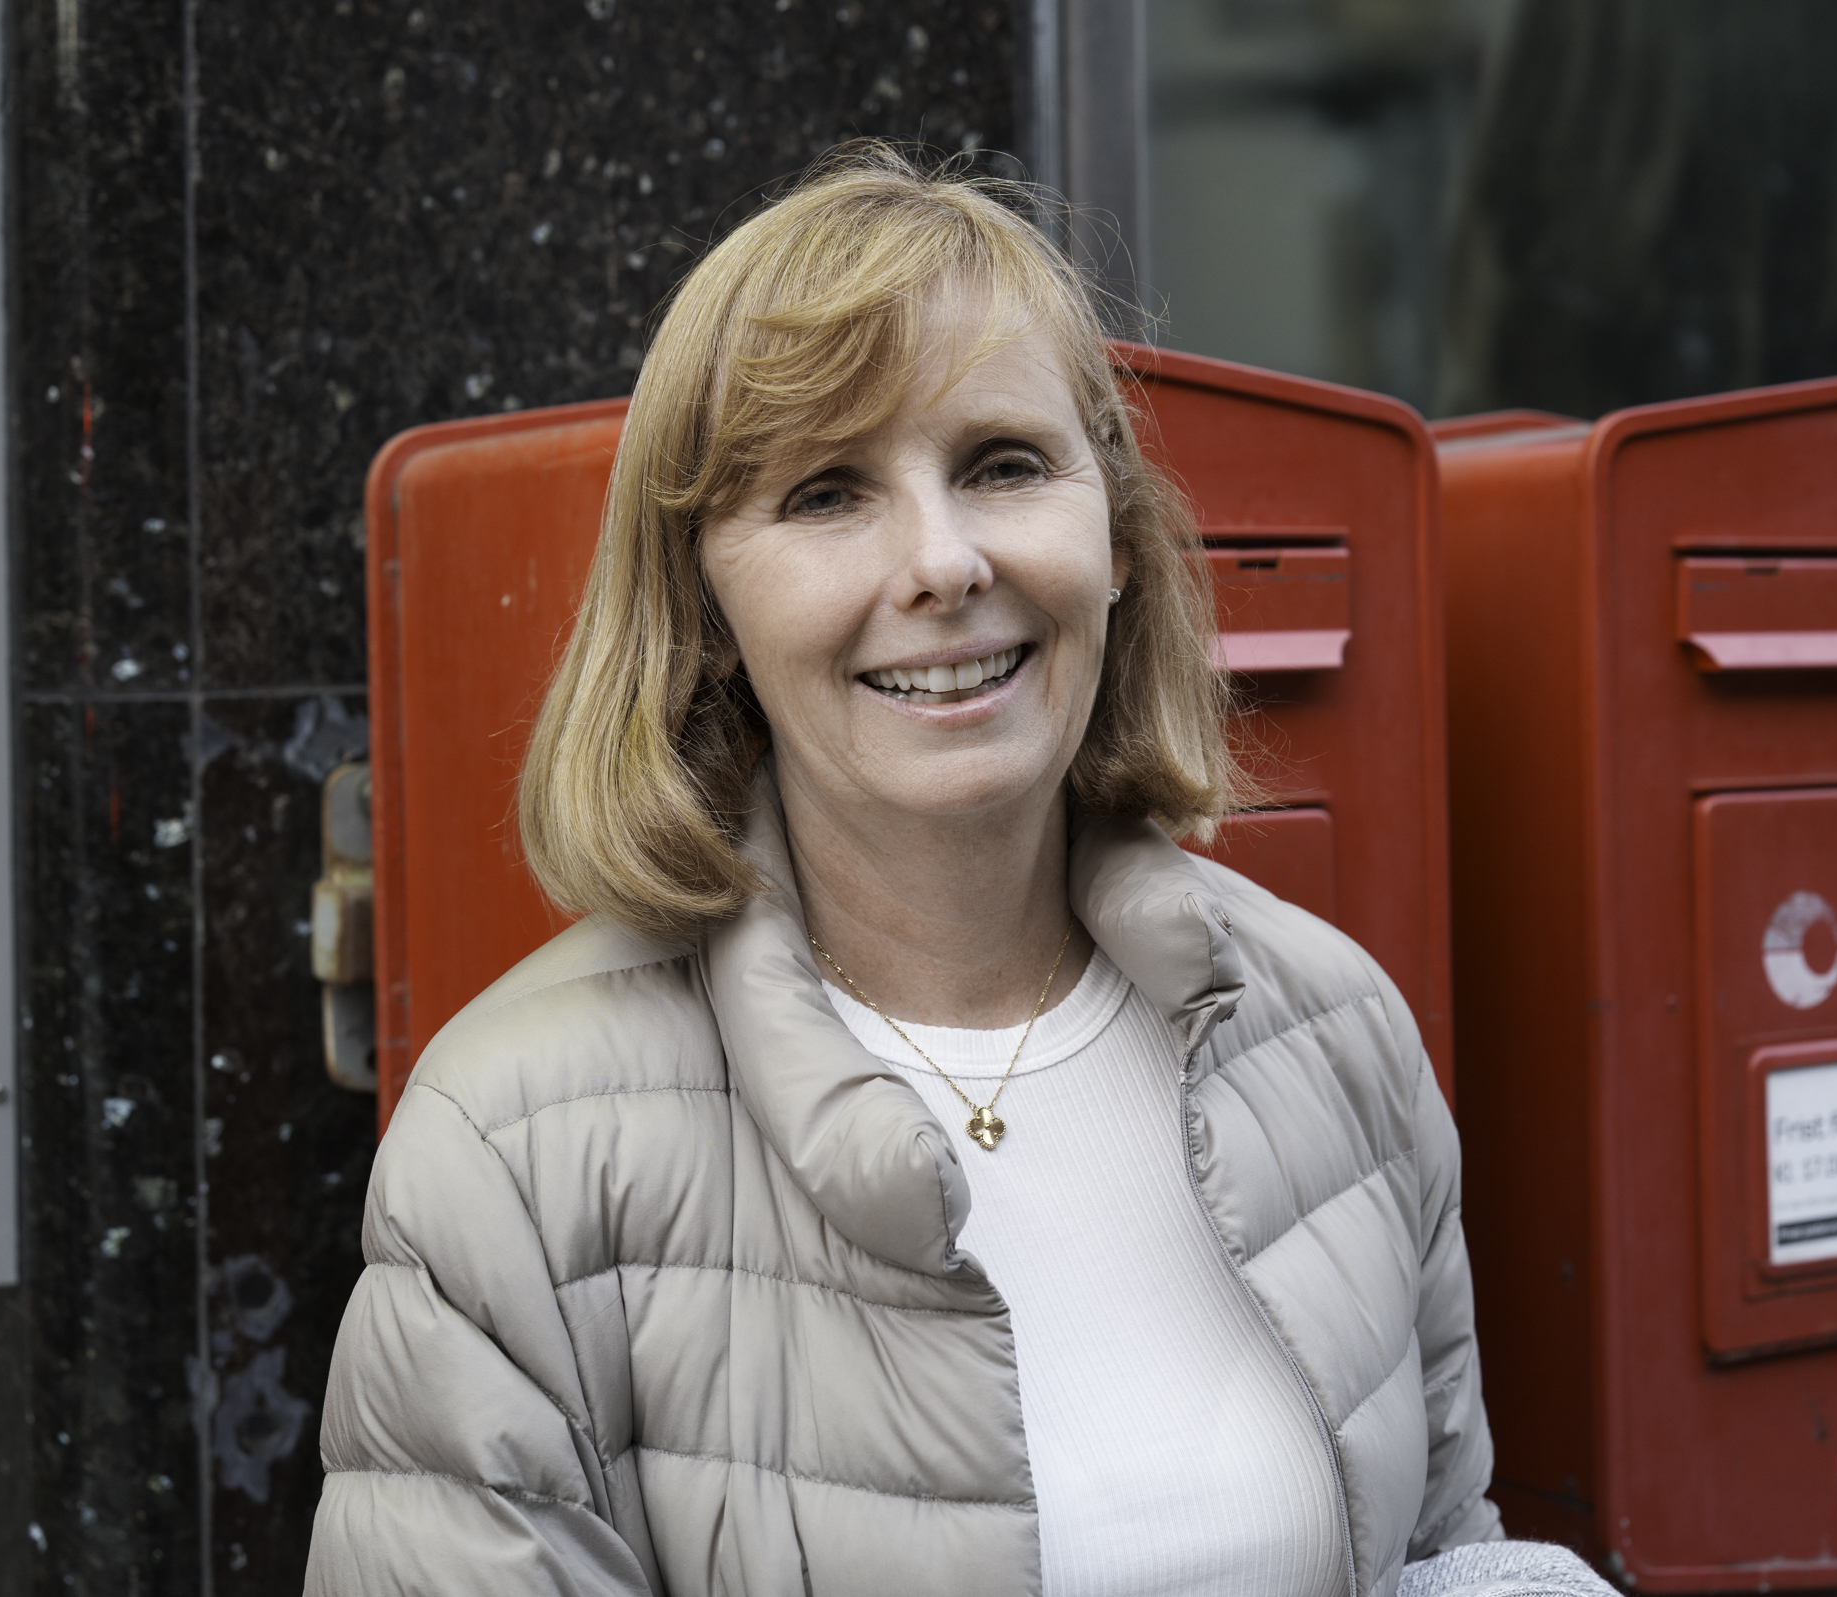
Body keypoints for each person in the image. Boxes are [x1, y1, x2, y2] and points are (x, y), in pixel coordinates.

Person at [306, 144, 1612, 1597]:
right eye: (826, 493)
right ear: (708, 605)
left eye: (1003, 465)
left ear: (1114, 538)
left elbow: (1439, 1553)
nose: (942, 562)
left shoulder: (1332, 1032)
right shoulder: (513, 1154)